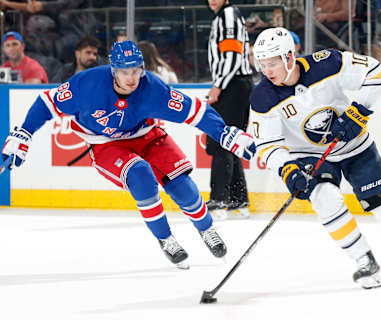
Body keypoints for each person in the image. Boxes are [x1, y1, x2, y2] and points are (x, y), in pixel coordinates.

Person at [0, 40, 256, 270]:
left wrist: (224, 134)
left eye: (136, 70)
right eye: (125, 71)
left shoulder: (152, 88)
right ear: (113, 70)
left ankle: (207, 229)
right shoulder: (87, 84)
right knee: (141, 176)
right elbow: (47, 103)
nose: (131, 77)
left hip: (146, 135)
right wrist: (24, 133)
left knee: (182, 186)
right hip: (106, 144)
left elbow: (196, 112)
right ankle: (166, 238)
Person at [251, 27, 381, 289]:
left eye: (272, 63)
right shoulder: (262, 97)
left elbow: (376, 73)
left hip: (355, 146)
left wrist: (358, 112)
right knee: (324, 198)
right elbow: (267, 145)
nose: (267, 70)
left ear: (289, 57)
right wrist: (287, 170)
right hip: (310, 154)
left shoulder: (327, 63)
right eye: (262, 64)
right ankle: (365, 260)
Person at [206, 0, 254, 219]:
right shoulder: (226, 15)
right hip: (235, 84)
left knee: (221, 141)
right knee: (230, 142)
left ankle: (219, 201)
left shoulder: (227, 16)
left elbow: (232, 55)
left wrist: (219, 85)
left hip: (233, 85)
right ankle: (238, 200)